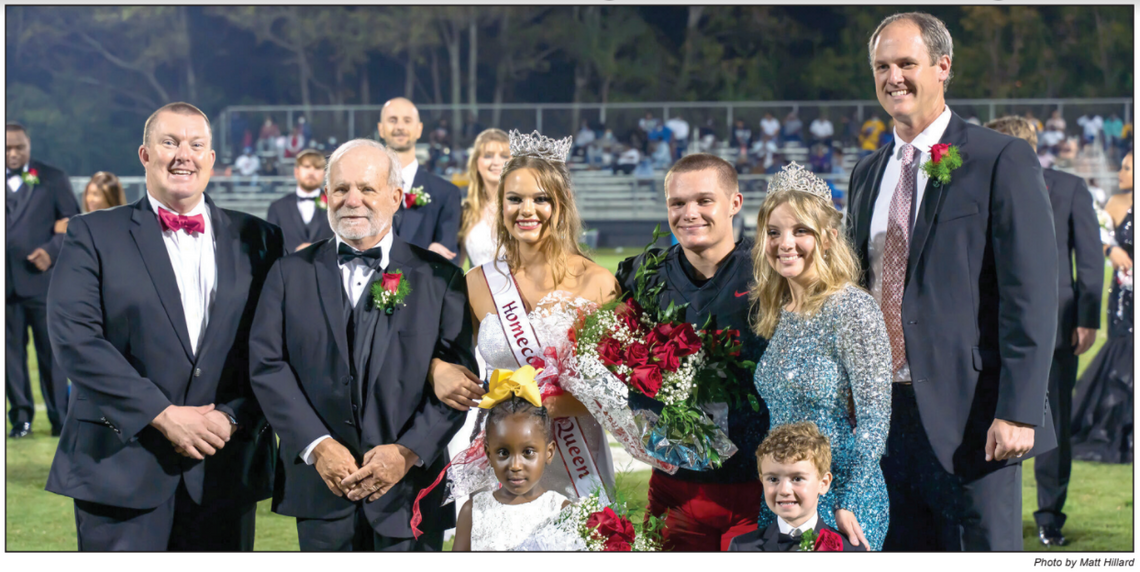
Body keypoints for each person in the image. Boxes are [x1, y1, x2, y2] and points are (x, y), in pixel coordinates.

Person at [848, 13, 1057, 551]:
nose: (893, 77)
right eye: (882, 66)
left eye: (906, 63)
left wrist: (1018, 410)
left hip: (972, 418)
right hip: (882, 416)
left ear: (943, 67)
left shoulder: (1001, 158)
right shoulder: (867, 174)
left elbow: (1029, 295)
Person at [45, 103, 283, 550]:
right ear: (145, 154)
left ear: (212, 159)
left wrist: (231, 417)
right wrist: (162, 415)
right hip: (120, 466)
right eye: (169, 142)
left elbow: (273, 346)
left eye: (196, 145)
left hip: (224, 467)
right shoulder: (91, 233)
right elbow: (76, 340)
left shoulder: (262, 239)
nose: (183, 155)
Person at [248, 138, 476, 551]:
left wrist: (406, 452)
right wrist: (317, 447)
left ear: (395, 196)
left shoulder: (440, 278)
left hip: (411, 495)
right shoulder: (287, 274)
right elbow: (267, 366)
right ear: (326, 196)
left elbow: (458, 385)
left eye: (367, 189)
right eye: (341, 189)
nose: (353, 200)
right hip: (320, 492)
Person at [435, 130, 618, 503]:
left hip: (576, 461)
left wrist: (544, 403)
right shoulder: (478, 284)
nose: (526, 210)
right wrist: (435, 368)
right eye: (514, 199)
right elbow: (449, 359)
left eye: (541, 199)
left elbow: (616, 390)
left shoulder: (599, 283)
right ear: (500, 205)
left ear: (562, 204)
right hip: (503, 464)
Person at [614, 153, 769, 551]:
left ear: (734, 203)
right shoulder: (643, 274)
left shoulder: (770, 273)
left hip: (759, 484)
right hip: (676, 486)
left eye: (704, 200)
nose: (689, 213)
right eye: (677, 203)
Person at [750, 162, 890, 550]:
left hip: (841, 495)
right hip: (784, 497)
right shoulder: (777, 308)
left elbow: (875, 421)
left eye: (801, 231)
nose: (785, 243)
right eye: (774, 232)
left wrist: (847, 499)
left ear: (827, 238)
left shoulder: (852, 308)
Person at [984, 116, 1104, 548]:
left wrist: (1088, 318)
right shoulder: (977, 184)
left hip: (1054, 332)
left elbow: (1090, 261)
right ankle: (995, 514)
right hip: (988, 331)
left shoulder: (1069, 188)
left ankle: (1049, 517)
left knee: (1053, 430)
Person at [6, 122, 81, 439]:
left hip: (42, 282)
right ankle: (20, 419)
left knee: (52, 356)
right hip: (4, 286)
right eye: (7, 148)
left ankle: (59, 418)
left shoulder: (52, 178)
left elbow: (74, 224)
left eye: (18, 147)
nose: (12, 153)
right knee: (9, 356)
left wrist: (51, 251)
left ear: (29, 146)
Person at [452, 385, 572, 551]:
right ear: (489, 454)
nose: (515, 465)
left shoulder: (562, 511)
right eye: (503, 452)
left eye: (528, 452)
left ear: (549, 453)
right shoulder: (472, 512)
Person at [1070, 152, 1133, 466]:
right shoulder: (1116, 204)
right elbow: (1097, 237)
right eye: (1122, 166)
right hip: (1126, 297)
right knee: (1122, 354)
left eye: (1128, 168)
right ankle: (1118, 431)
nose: (1121, 173)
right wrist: (1113, 249)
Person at [728, 422, 867, 551]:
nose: (784, 490)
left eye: (797, 478)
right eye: (773, 479)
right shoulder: (742, 547)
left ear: (823, 483)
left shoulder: (850, 550)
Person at [377, 98, 462, 262]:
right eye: (392, 120)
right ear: (381, 128)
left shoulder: (446, 193)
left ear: (419, 129)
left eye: (407, 121)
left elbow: (448, 262)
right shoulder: (364, 189)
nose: (400, 127)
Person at [266, 148, 334, 252]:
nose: (311, 172)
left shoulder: (334, 205)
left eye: (317, 168)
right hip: (287, 266)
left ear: (324, 173)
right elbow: (270, 245)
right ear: (296, 171)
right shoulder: (277, 207)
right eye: (307, 167)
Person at [459, 128, 509, 269]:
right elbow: (456, 267)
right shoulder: (466, 212)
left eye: (504, 156)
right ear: (476, 163)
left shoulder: (527, 208)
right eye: (488, 156)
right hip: (475, 290)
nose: (497, 162)